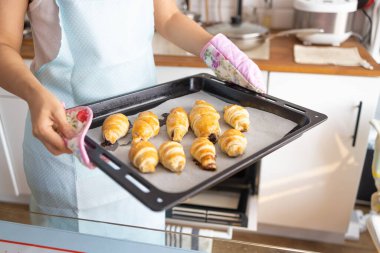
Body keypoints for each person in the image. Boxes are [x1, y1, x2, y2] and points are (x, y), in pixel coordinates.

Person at [0, 0, 264, 243]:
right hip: (66, 145)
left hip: (144, 140)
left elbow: (168, 17)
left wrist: (219, 53)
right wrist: (34, 95)